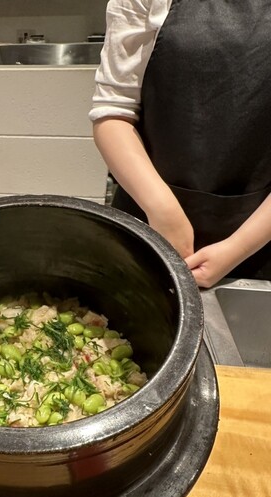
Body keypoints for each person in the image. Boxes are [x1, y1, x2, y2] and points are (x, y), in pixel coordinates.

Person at [90, 0, 271, 288]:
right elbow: (112, 113)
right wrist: (164, 212)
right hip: (147, 217)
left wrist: (237, 247)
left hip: (259, 238)